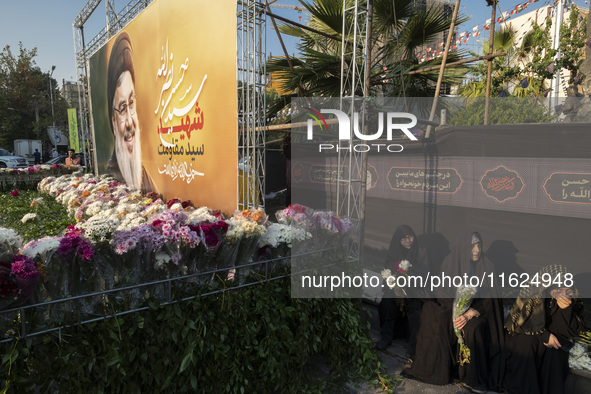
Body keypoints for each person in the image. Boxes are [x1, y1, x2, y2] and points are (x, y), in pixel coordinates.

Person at [403, 231, 505, 393]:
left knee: (473, 329)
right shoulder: (451, 261)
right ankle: (436, 368)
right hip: (453, 307)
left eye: (479, 245)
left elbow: (491, 299)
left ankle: (472, 378)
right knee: (432, 314)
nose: (477, 250)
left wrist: (470, 312)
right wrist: (455, 311)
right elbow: (443, 291)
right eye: (472, 246)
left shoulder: (487, 266)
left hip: (479, 312)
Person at [504, 264, 586, 394]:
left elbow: (568, 330)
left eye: (566, 288)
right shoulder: (533, 294)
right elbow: (523, 322)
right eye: (558, 287)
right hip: (522, 334)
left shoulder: (571, 299)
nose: (562, 292)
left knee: (555, 351)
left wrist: (565, 310)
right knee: (528, 344)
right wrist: (544, 335)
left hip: (551, 337)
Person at [106, 31, 156, 194]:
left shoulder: (147, 179)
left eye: (131, 103)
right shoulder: (110, 180)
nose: (129, 122)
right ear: (113, 122)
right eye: (121, 109)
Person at [377, 225, 431, 359]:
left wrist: (407, 287)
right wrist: (395, 288)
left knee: (415, 309)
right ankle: (386, 337)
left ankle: (413, 346)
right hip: (396, 290)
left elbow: (424, 275)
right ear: (398, 240)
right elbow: (388, 273)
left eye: (410, 237)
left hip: (415, 290)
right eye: (404, 238)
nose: (408, 241)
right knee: (387, 303)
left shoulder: (420, 252)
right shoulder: (394, 252)